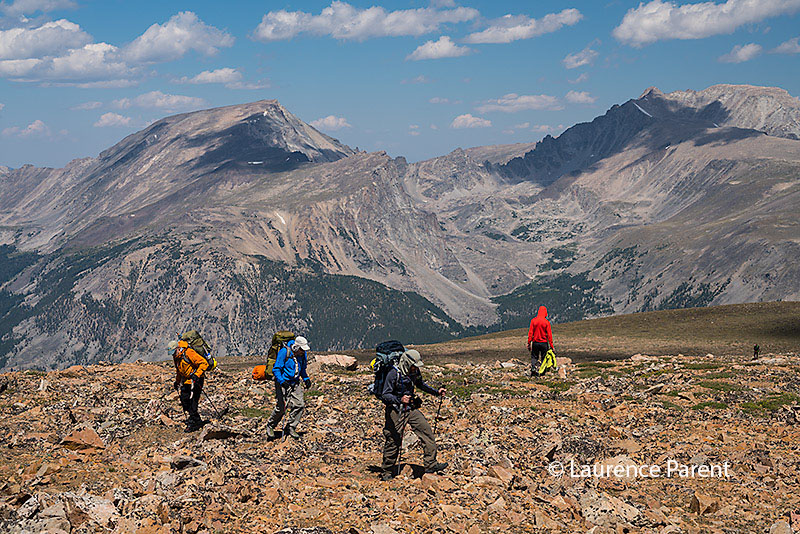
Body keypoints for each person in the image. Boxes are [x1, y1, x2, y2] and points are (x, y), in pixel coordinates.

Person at [380, 349, 447, 481]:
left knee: (426, 432)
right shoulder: (393, 373)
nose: (415, 369)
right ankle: (387, 471)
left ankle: (431, 465)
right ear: (407, 362)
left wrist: (436, 392)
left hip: (410, 408)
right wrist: (400, 400)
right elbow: (385, 395)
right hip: (395, 410)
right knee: (394, 439)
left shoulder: (414, 371)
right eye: (413, 366)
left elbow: (420, 384)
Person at [266, 335, 312, 439]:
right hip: (283, 382)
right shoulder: (284, 352)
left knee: (299, 405)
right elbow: (276, 368)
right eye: (301, 349)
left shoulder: (302, 355)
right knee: (281, 407)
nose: (303, 352)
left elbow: (302, 369)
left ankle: (291, 427)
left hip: (295, 382)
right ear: (296, 347)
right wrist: (282, 381)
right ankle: (270, 425)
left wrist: (306, 379)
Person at [170, 339, 209, 432]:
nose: (173, 354)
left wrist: (197, 375)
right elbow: (179, 371)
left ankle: (194, 422)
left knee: (193, 401)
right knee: (184, 399)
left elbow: (204, 363)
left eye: (173, 352)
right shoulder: (177, 357)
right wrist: (177, 382)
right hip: (187, 380)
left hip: (196, 379)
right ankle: (196, 419)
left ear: (178, 348)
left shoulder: (188, 352)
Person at [527, 305, 554, 377]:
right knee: (544, 357)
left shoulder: (533, 321)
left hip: (535, 342)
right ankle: (542, 372)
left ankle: (533, 369)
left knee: (534, 357)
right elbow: (549, 335)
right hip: (544, 343)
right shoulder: (546, 322)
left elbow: (530, 333)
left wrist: (529, 343)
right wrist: (551, 346)